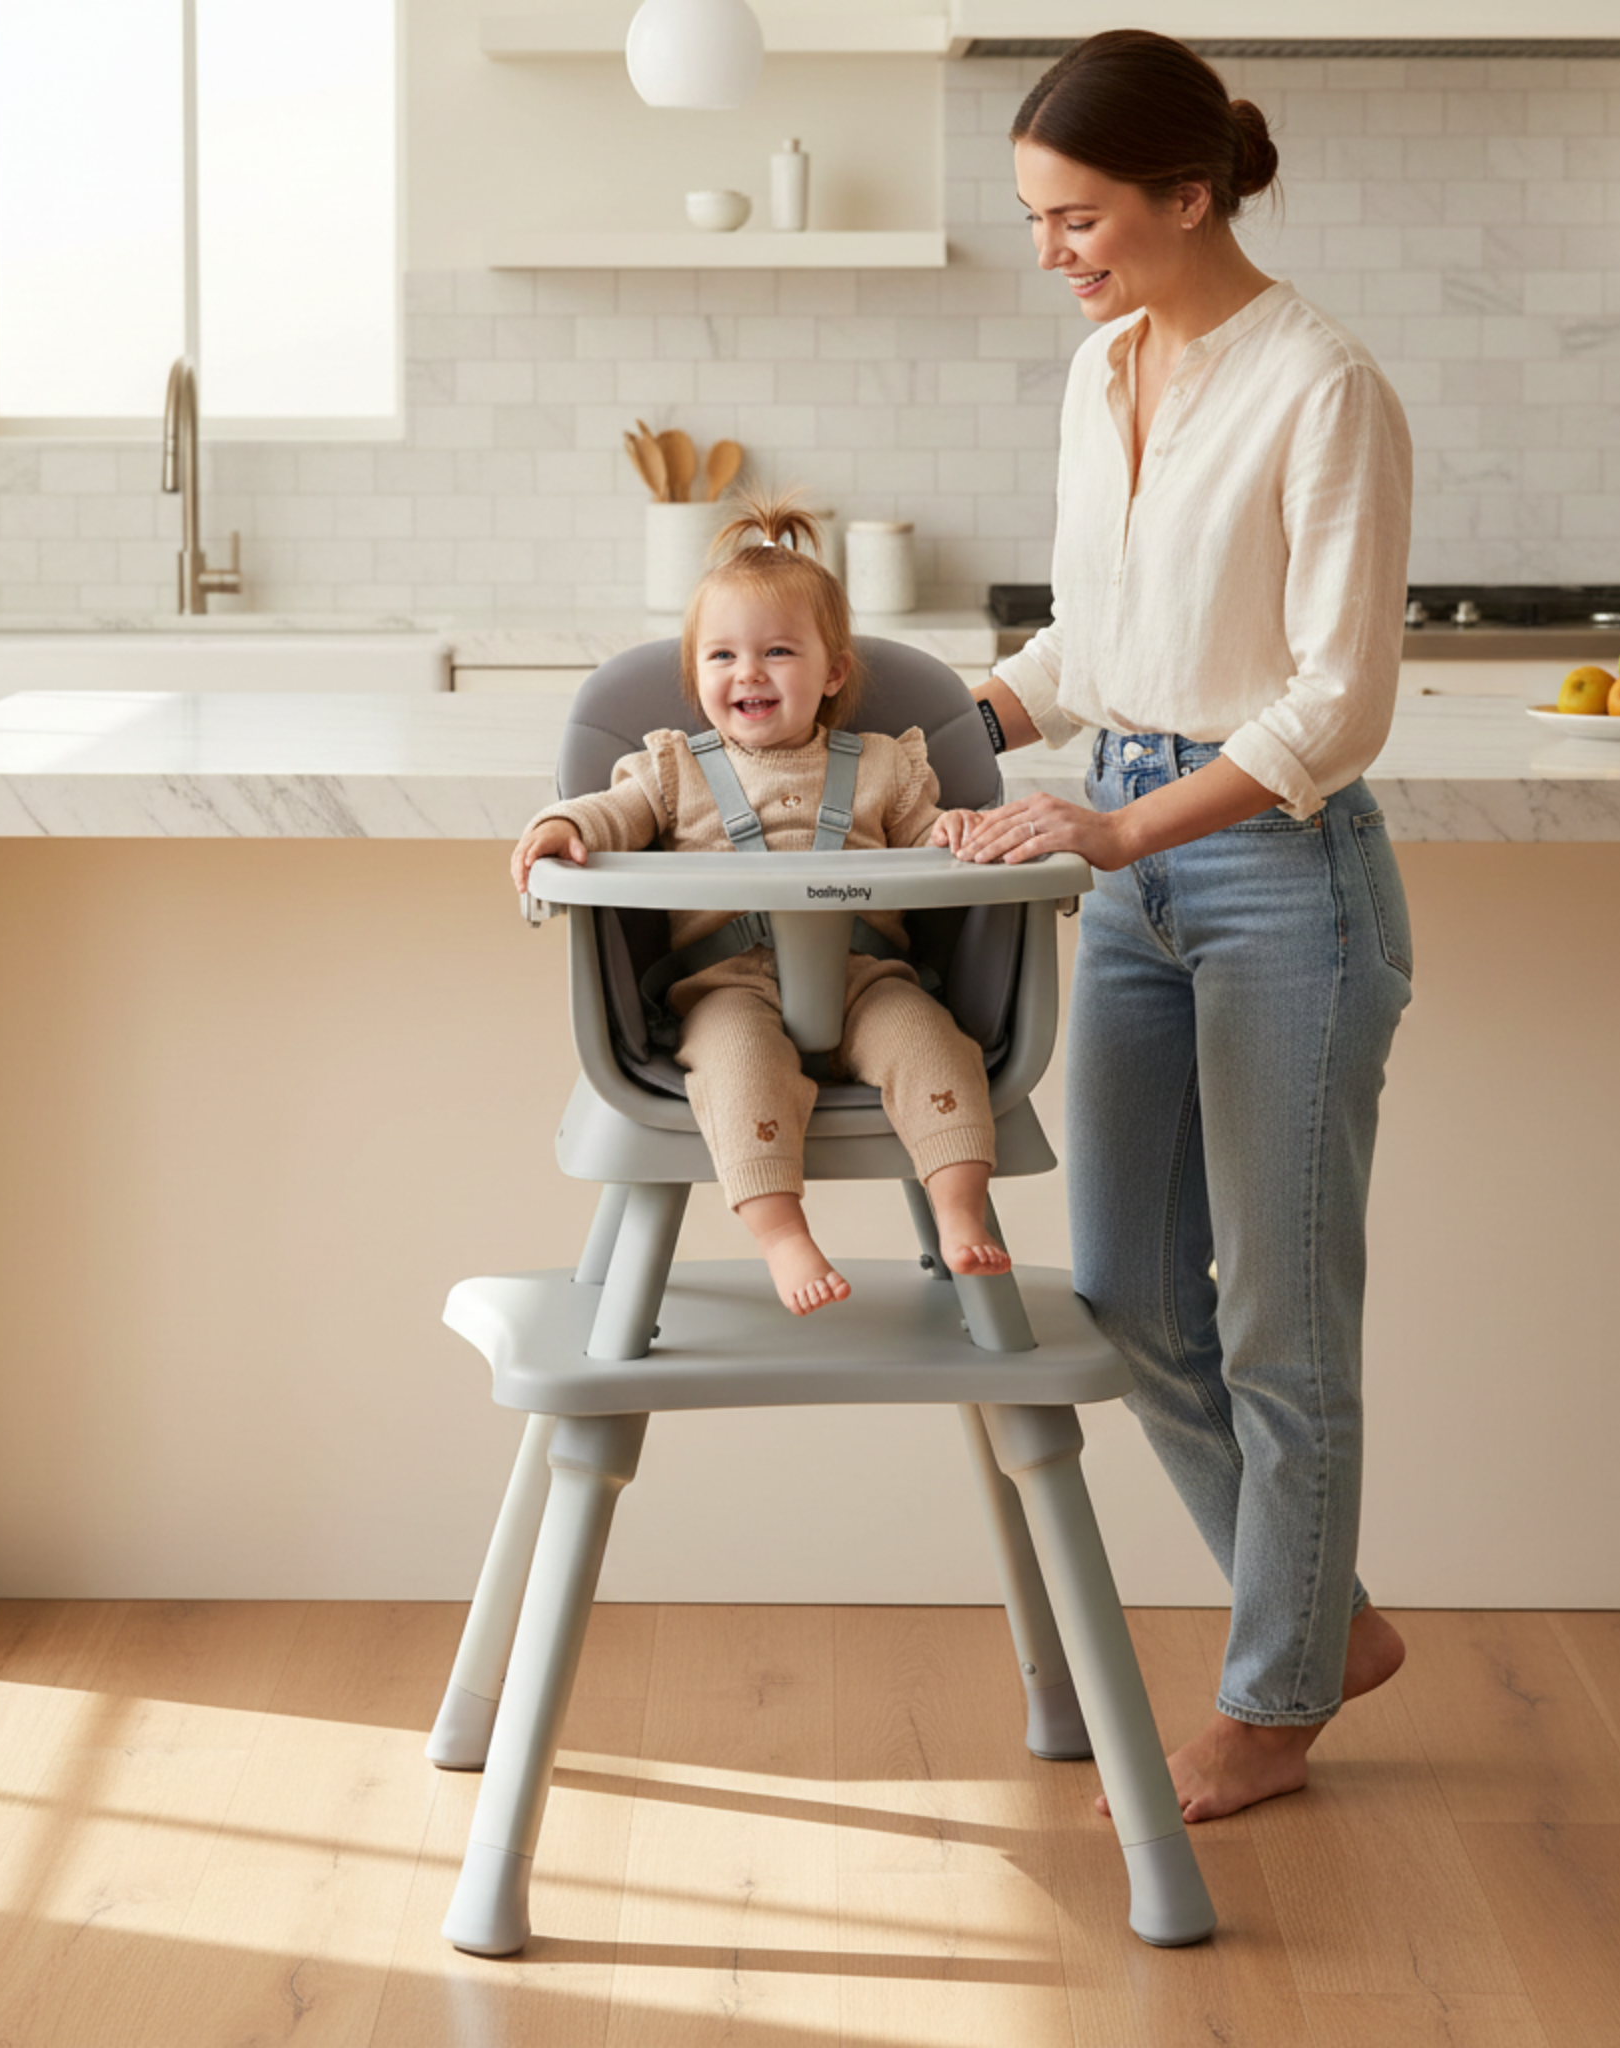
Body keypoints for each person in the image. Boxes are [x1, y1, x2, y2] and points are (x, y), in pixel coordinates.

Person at [957, 29, 1416, 1822]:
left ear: (1185, 194)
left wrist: (1124, 823)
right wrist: (943, 725)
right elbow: (1092, 644)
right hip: (1127, 863)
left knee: (1281, 1327)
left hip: (1274, 874)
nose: (1054, 253)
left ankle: (1277, 1691)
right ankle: (1326, 1621)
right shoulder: (1100, 375)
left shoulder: (1322, 385)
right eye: (1035, 221)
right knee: (1136, 1296)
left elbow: (1333, 703)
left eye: (1076, 219)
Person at [510, 493, 1009, 1316]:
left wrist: (954, 828)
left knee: (935, 1047)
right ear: (695, 674)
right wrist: (563, 822)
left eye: (778, 652)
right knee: (739, 1073)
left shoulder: (887, 765)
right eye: (722, 657)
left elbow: (933, 841)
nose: (748, 673)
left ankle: (958, 1214)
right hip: (727, 988)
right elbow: (612, 813)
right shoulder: (671, 769)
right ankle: (782, 1234)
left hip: (868, 979)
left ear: (834, 672)